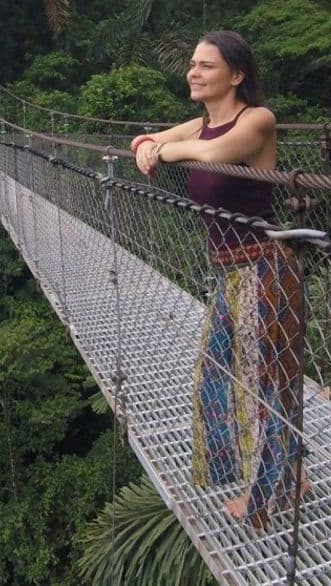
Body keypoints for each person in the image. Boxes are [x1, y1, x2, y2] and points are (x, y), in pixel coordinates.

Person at [129, 30, 304, 526]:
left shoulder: (257, 120)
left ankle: (266, 500)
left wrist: (162, 152)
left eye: (206, 65)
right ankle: (282, 473)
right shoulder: (203, 122)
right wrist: (147, 143)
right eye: (192, 63)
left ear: (237, 75)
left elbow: (211, 155)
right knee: (216, 376)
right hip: (229, 272)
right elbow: (152, 140)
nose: (193, 72)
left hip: (264, 269)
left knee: (259, 385)